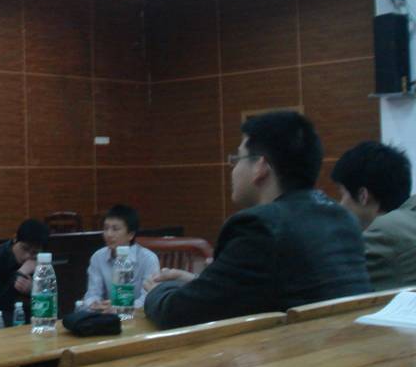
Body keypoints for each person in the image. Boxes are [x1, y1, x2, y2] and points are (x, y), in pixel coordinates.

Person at [143, 110, 370, 329]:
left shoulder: (259, 227)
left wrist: (158, 290)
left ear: (260, 167)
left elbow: (177, 313)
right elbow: (276, 290)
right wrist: (198, 283)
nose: (233, 169)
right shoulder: (343, 219)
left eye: (237, 158)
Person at [332, 141, 416, 290]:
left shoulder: (384, 232)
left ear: (363, 196)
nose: (340, 204)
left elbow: (329, 279)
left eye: (342, 194)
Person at [83, 205, 159, 311]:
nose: (109, 234)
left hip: (137, 317)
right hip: (107, 315)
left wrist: (123, 307)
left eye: (115, 229)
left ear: (130, 234)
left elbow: (148, 299)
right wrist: (95, 304)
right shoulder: (98, 257)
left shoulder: (148, 259)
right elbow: (92, 293)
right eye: (106, 228)